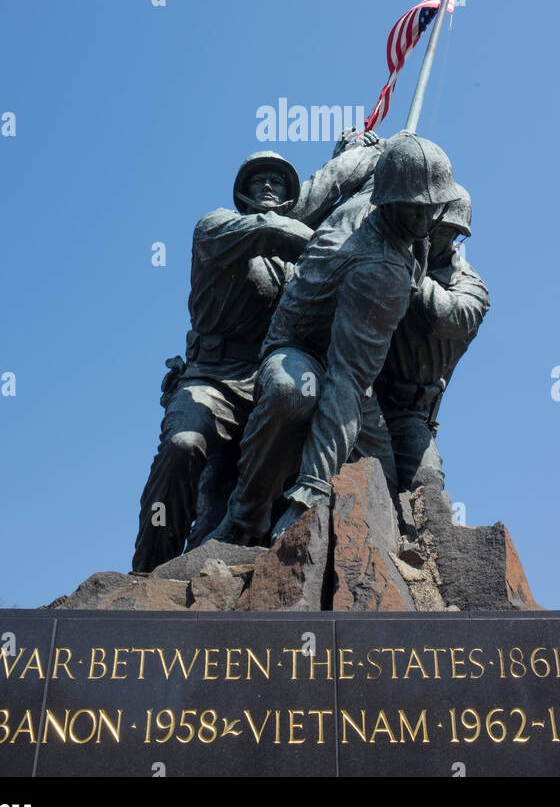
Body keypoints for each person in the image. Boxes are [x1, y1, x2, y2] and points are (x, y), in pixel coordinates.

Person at [132, 135, 384, 570]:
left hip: (267, 374)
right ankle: (150, 566)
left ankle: (248, 521)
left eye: (278, 181)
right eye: (259, 179)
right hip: (210, 377)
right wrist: (339, 246)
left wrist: (359, 159)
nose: (269, 185)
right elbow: (273, 229)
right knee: (182, 445)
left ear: (293, 195)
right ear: (242, 191)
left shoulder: (296, 264)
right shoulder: (216, 227)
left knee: (295, 396)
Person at [208, 131, 458, 546]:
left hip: (354, 362)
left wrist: (371, 149)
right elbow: (345, 383)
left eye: (431, 207)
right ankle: (245, 518)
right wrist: (310, 492)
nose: (424, 219)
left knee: (387, 482)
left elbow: (353, 382)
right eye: (415, 208)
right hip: (301, 348)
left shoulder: (386, 198)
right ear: (392, 199)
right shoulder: (380, 270)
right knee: (294, 394)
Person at [372, 185, 489, 491]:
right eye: (439, 227)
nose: (443, 236)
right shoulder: (384, 248)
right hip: (362, 389)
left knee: (427, 481)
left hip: (407, 410)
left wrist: (408, 271)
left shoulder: (470, 286)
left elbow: (451, 315)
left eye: (453, 231)